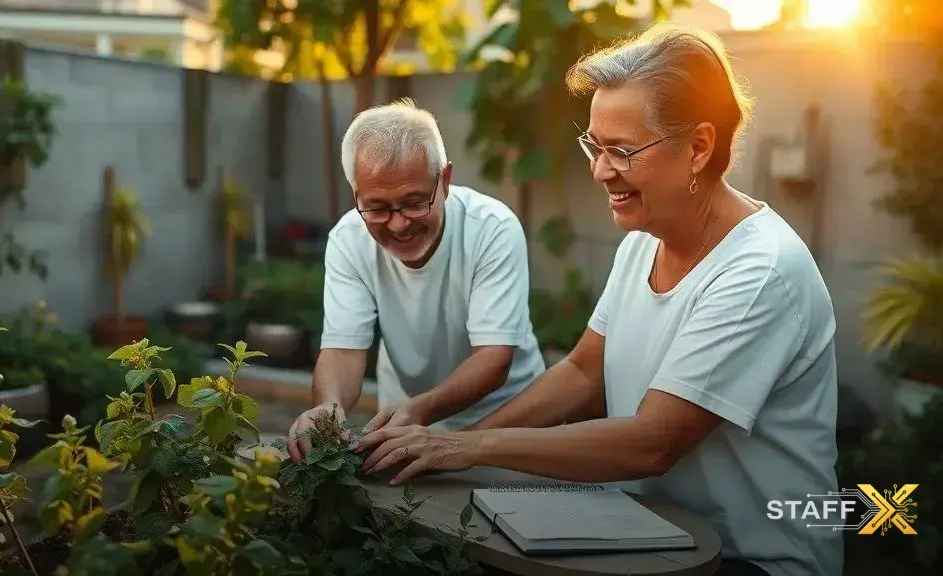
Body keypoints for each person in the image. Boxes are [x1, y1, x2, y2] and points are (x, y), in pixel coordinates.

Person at [351, 24, 843, 576]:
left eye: (621, 151)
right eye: (594, 145)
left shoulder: (759, 271)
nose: (599, 170)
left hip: (751, 559)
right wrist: (458, 445)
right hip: (652, 534)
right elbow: (585, 372)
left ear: (699, 147)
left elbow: (650, 443)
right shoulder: (644, 241)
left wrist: (470, 450)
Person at [287, 98, 546, 461]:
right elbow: (343, 350)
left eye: (413, 202)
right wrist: (327, 410)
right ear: (356, 193)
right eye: (377, 207)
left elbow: (494, 358)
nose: (398, 223)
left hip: (506, 422)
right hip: (405, 426)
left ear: (445, 180)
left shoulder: (491, 228)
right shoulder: (348, 239)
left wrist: (420, 411)